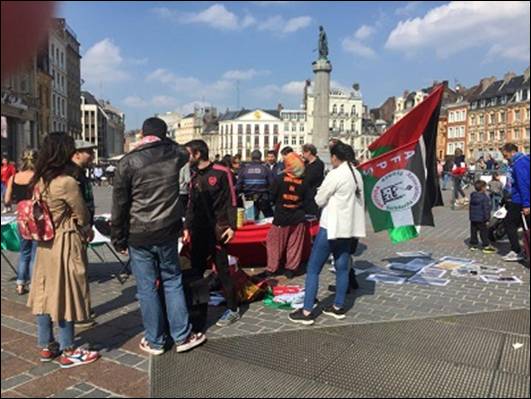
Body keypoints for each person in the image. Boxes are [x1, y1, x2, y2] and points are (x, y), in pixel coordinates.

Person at [111, 117, 206, 355]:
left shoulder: (127, 162)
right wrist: (163, 141)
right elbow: (184, 150)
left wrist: (118, 237)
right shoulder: (174, 155)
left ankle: (155, 340)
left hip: (138, 232)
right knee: (172, 281)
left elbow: (120, 204)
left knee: (146, 288)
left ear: (142, 134)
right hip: (167, 229)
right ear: (163, 136)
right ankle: (182, 336)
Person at [27, 132, 100, 368]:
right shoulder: (66, 182)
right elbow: (82, 213)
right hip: (64, 242)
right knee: (65, 294)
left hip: (44, 244)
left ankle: (46, 345)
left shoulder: (39, 180)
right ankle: (69, 349)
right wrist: (86, 227)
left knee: (43, 292)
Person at [289, 142, 365, 325]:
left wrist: (319, 192)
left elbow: (319, 199)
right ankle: (338, 307)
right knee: (341, 268)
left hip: (331, 226)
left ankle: (307, 311)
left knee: (313, 268)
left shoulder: (335, 174)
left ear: (335, 157)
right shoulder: (357, 174)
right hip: (348, 229)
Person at [183, 140, 240, 328]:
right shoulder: (193, 176)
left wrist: (232, 226)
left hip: (218, 230)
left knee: (222, 270)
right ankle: (198, 316)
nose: (186, 157)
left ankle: (233, 309)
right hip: (199, 231)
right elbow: (191, 204)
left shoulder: (222, 172)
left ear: (198, 154)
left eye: (188, 154)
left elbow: (232, 200)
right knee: (197, 272)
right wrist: (186, 227)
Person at [66, 140, 97, 329]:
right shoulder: (74, 173)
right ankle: (80, 314)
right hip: (78, 229)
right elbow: (77, 204)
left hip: (81, 227)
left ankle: (83, 309)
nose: (91, 156)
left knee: (81, 270)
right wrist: (85, 225)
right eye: (88, 152)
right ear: (76, 154)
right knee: (79, 271)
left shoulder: (79, 172)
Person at [265, 152, 308, 280]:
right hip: (298, 216)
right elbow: (307, 199)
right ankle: (291, 269)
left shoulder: (279, 178)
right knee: (294, 245)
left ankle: (272, 268)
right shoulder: (304, 181)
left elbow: (271, 196)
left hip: (281, 217)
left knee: (274, 244)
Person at [4, 149, 38, 295]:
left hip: (21, 217)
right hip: (36, 217)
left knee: (24, 252)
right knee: (35, 252)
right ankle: (33, 283)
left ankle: (20, 283)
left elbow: (6, 200)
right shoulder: (38, 177)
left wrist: (16, 202)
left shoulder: (14, 177)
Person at [500, 143, 530, 262]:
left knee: (509, 223)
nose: (505, 158)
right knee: (525, 225)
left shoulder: (518, 164)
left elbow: (523, 184)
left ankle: (516, 250)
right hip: (522, 198)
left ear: (512, 152)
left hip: (519, 199)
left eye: (506, 155)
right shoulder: (524, 160)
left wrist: (526, 204)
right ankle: (526, 249)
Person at [237, 150, 274, 220]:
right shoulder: (266, 169)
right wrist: (271, 198)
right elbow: (272, 185)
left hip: (249, 197)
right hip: (263, 197)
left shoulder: (244, 169)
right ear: (260, 157)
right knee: (270, 219)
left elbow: (239, 186)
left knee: (251, 219)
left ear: (251, 157)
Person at [469, 180, 496, 254]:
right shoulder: (484, 198)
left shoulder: (473, 195)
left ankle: (473, 245)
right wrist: (487, 219)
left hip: (473, 218)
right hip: (482, 218)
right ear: (483, 188)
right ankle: (485, 245)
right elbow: (486, 209)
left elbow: (471, 207)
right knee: (483, 232)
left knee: (473, 231)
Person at [302, 144, 325, 218]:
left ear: (308, 152)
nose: (302, 154)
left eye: (303, 152)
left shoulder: (319, 164)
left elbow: (310, 178)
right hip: (304, 196)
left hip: (313, 196)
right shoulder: (305, 163)